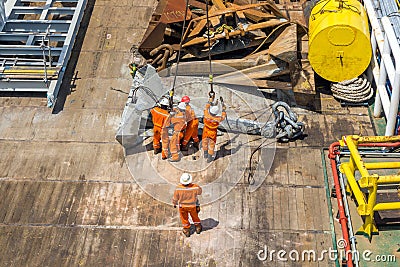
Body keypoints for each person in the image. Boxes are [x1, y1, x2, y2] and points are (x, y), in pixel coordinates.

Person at [172, 173, 202, 237]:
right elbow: (200, 192)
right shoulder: (195, 187)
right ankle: (198, 227)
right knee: (195, 216)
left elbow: (175, 198)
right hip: (193, 206)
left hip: (182, 207)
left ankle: (186, 230)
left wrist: (174, 204)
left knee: (184, 218)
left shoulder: (178, 189)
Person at [202, 95, 226, 162]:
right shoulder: (217, 119)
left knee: (204, 142)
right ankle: (209, 157)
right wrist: (223, 110)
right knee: (211, 145)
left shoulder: (206, 115)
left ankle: (205, 154)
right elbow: (223, 117)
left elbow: (206, 108)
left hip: (206, 130)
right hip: (213, 132)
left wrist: (209, 102)